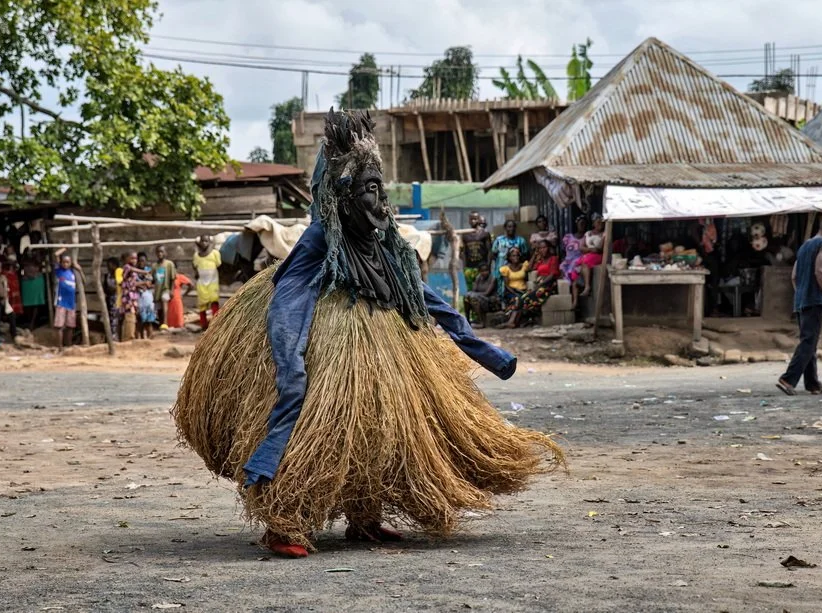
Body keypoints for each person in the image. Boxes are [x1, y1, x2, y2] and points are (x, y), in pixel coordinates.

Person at [172, 110, 563, 558]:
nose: (381, 204)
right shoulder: (319, 241)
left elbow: (422, 296)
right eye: (370, 191)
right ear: (342, 196)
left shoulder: (384, 242)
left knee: (384, 426)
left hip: (384, 343)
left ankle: (366, 517)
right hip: (326, 341)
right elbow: (289, 303)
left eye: (381, 190)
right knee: (321, 422)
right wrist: (290, 368)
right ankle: (285, 519)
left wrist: (484, 352)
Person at [776, 219, 822, 396]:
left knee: (809, 341)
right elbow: (819, 271)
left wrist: (801, 293)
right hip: (814, 300)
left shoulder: (804, 246)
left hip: (801, 301)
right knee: (808, 342)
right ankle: (788, 379)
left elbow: (794, 276)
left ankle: (813, 384)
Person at [501, 240, 560, 328]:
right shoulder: (540, 261)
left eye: (544, 247)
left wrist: (541, 283)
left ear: (549, 248)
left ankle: (515, 321)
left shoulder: (553, 259)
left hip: (549, 285)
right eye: (540, 248)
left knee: (527, 298)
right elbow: (529, 268)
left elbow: (552, 275)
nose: (542, 250)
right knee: (522, 297)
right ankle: (513, 321)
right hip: (539, 285)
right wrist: (535, 255)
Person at [571, 215, 606, 306]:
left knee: (585, 262)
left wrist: (594, 249)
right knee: (575, 275)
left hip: (598, 256)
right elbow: (581, 247)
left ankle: (587, 287)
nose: (600, 224)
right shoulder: (588, 233)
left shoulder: (604, 234)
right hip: (588, 254)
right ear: (593, 223)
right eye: (598, 222)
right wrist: (590, 250)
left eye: (601, 222)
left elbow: (600, 249)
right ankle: (575, 302)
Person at [491, 220, 529, 298]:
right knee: (500, 287)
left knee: (514, 286)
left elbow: (525, 254)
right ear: (505, 228)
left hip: (515, 270)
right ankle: (502, 305)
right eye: (509, 226)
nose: (511, 229)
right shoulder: (499, 240)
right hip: (501, 268)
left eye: (513, 227)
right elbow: (493, 254)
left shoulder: (520, 240)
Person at [193, 235, 222, 330]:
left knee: (214, 301)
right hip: (201, 283)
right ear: (200, 242)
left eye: (206, 241)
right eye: (202, 241)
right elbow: (195, 266)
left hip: (213, 281)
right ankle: (204, 325)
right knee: (202, 304)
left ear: (209, 242)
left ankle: (216, 324)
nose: (204, 243)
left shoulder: (215, 253)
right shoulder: (196, 255)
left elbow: (218, 264)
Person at [460, 211, 491, 291]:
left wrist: (488, 265)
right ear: (469, 220)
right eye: (471, 219)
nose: (473, 221)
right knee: (470, 290)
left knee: (482, 290)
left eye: (475, 219)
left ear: (478, 220)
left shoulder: (485, 233)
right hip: (469, 268)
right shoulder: (465, 235)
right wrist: (464, 267)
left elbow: (489, 251)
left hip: (482, 268)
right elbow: (463, 252)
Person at [120, 251, 147, 342]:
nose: (134, 260)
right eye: (132, 258)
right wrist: (145, 272)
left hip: (133, 297)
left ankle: (127, 336)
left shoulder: (132, 270)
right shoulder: (127, 267)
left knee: (131, 316)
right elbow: (133, 270)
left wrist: (142, 285)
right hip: (128, 297)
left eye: (136, 258)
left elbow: (132, 283)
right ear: (126, 259)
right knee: (130, 316)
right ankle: (129, 337)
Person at [53, 251, 77, 350]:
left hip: (71, 303)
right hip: (61, 302)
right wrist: (66, 247)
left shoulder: (73, 273)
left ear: (71, 263)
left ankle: (69, 345)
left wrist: (80, 270)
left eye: (67, 262)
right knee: (59, 326)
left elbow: (83, 281)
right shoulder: (59, 271)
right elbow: (56, 254)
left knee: (70, 326)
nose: (65, 264)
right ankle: (60, 346)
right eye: (64, 262)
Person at [463, 263, 498, 327]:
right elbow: (474, 289)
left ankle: (482, 322)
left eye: (486, 270)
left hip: (489, 300)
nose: (484, 273)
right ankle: (467, 320)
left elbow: (487, 293)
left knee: (473, 298)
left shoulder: (493, 279)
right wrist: (477, 280)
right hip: (479, 298)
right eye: (482, 271)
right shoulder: (479, 278)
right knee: (466, 297)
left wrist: (474, 295)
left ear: (489, 271)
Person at [20, 251, 45, 330]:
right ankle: (29, 321)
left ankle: (32, 322)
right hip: (27, 282)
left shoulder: (38, 259)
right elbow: (21, 267)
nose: (30, 253)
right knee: (27, 303)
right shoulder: (24, 260)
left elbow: (41, 266)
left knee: (36, 303)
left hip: (36, 282)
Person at [153, 246, 177, 331]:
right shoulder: (155, 266)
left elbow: (173, 278)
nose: (160, 254)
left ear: (165, 253)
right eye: (158, 252)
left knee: (164, 300)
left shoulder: (169, 264)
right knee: (159, 308)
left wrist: (172, 290)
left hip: (166, 288)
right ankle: (160, 324)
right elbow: (153, 279)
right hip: (157, 290)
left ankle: (165, 323)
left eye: (162, 252)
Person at [0, 259, 17, 341]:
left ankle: (14, 334)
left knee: (12, 315)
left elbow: (6, 289)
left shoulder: (3, 277)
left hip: (4, 300)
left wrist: (5, 296)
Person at [560, 215, 587, 283]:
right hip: (568, 260)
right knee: (562, 267)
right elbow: (563, 251)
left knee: (574, 267)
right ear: (577, 224)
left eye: (584, 224)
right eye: (580, 223)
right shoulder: (568, 237)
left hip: (579, 260)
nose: (582, 225)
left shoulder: (587, 237)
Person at [103, 257, 120, 341]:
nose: (109, 267)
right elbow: (105, 289)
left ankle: (117, 338)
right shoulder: (107, 276)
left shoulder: (120, 275)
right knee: (110, 319)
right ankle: (111, 338)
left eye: (111, 265)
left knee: (117, 320)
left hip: (118, 300)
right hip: (110, 300)